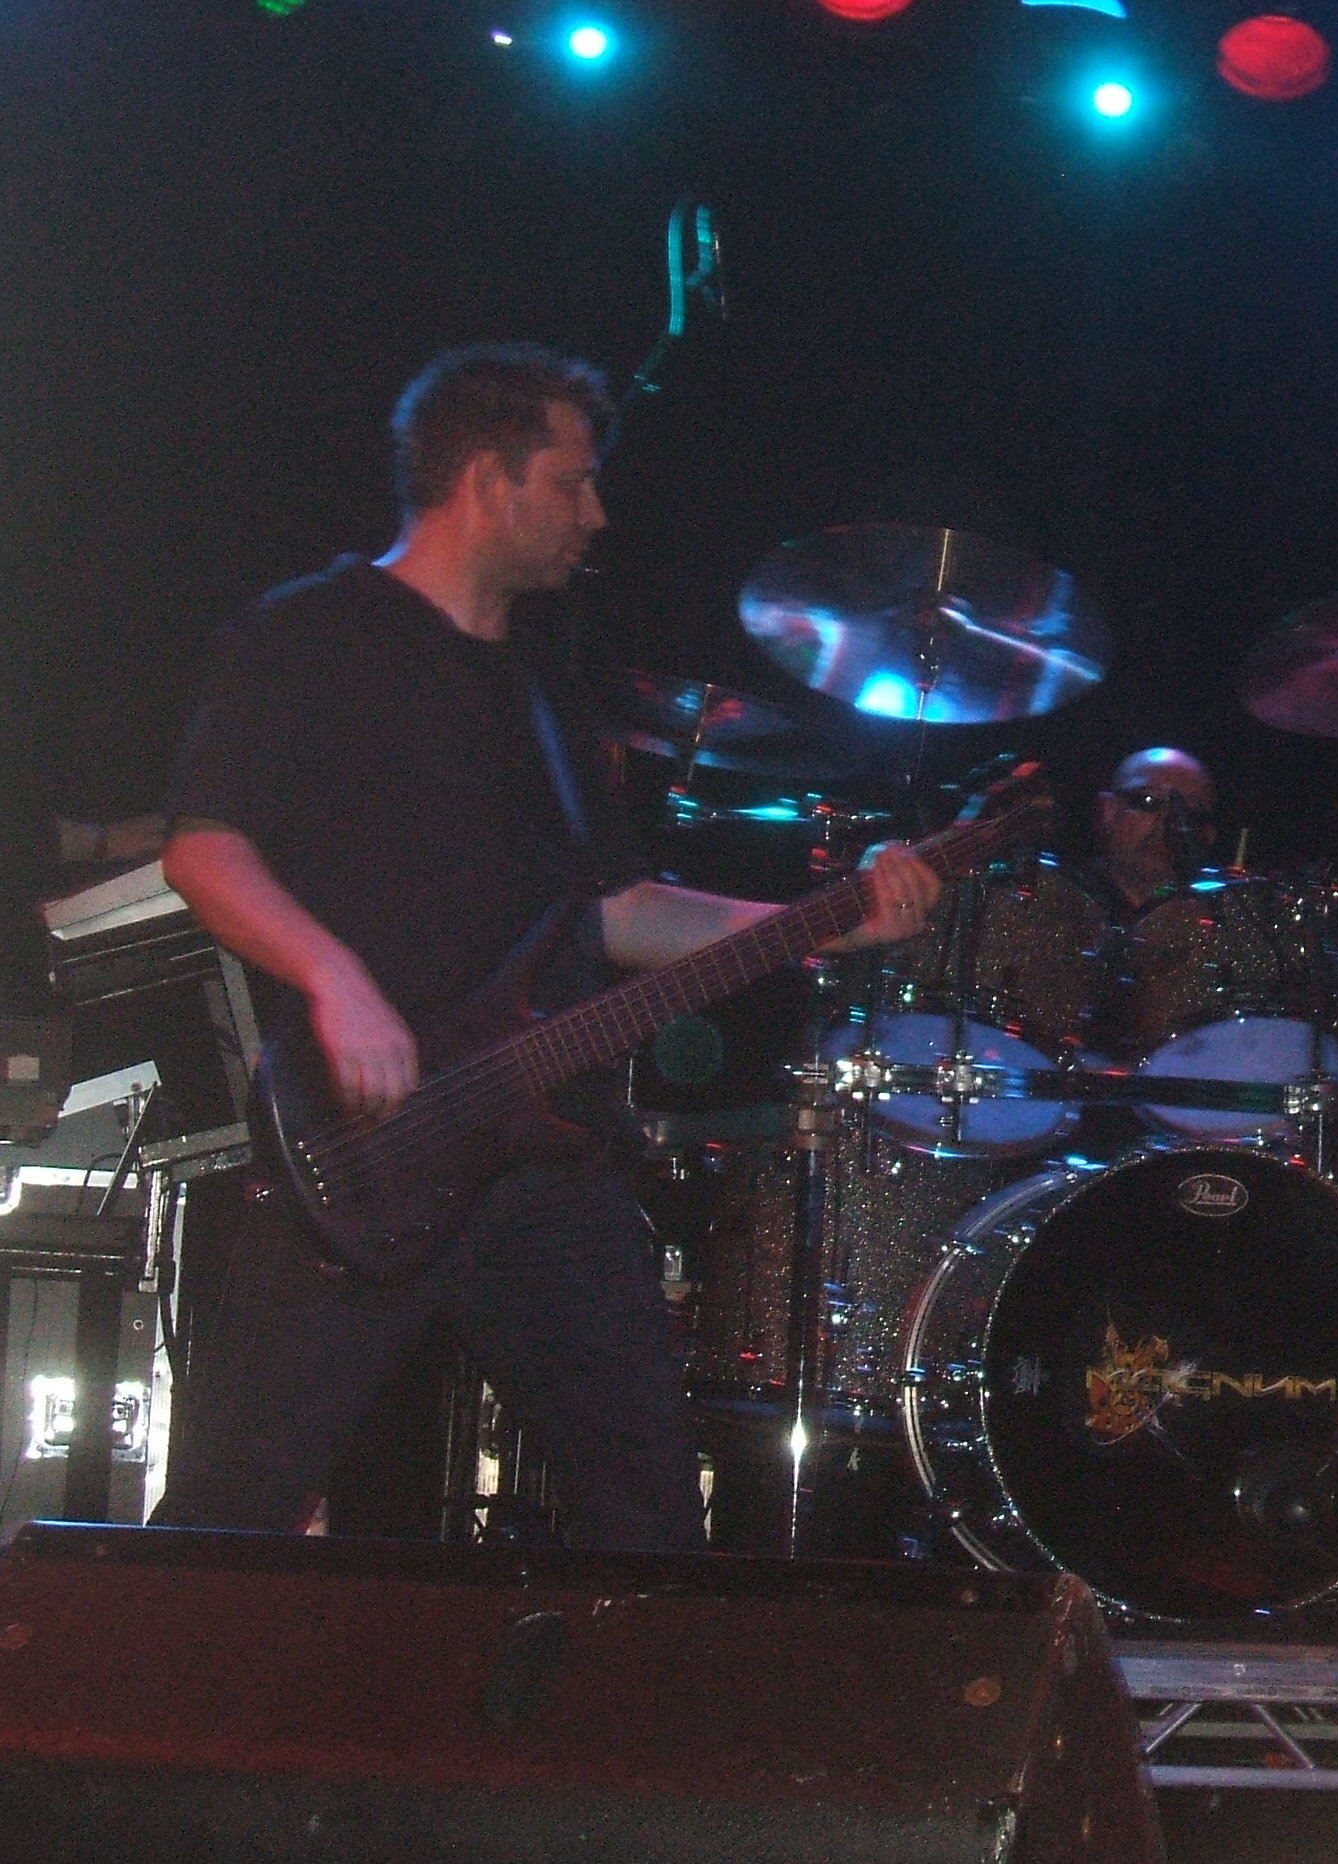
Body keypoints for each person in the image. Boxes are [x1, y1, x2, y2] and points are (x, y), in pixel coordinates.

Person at [153, 343, 940, 1549]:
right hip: (364, 1147)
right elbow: (204, 850)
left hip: (546, 1162)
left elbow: (615, 913)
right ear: (487, 478)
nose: (595, 514)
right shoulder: (308, 635)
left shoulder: (540, 691)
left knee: (651, 1522)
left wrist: (832, 923)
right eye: (573, 482)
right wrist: (337, 981)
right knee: (229, 1507)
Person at [1083, 746, 1221, 922]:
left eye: (1189, 811)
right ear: (1108, 810)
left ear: (1209, 833)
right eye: (1148, 800)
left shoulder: (1218, 919)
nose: (1168, 822)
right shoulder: (1066, 901)